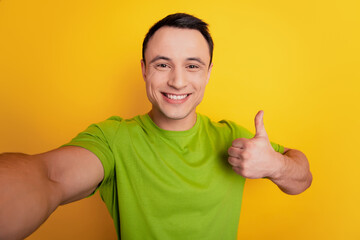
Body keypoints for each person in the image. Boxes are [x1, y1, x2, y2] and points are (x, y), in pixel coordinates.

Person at [0, 13, 312, 240]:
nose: (177, 80)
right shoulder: (113, 139)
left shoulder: (233, 137)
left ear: (208, 74)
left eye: (192, 65)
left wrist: (276, 165)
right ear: (144, 70)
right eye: (163, 64)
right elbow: (50, 177)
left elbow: (302, 179)